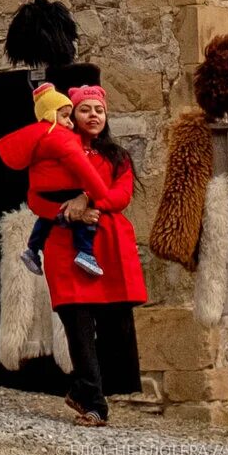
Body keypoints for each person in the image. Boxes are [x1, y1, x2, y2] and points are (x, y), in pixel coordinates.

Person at [36, 86, 147, 427]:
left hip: (109, 246)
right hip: (67, 246)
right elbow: (36, 197)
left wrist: (89, 199)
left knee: (116, 327)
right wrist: (66, 211)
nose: (93, 116)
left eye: (98, 109)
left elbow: (121, 196)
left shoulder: (117, 157)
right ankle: (96, 405)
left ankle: (86, 390)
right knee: (78, 325)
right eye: (85, 110)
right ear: (72, 114)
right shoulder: (55, 152)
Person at [0, 84, 107, 278]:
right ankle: (85, 253)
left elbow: (35, 193)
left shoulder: (38, 136)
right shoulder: (60, 137)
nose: (69, 122)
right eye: (65, 116)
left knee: (44, 222)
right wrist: (98, 193)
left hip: (46, 194)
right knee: (85, 223)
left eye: (99, 110)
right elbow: (83, 167)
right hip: (65, 192)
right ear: (51, 114)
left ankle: (32, 250)